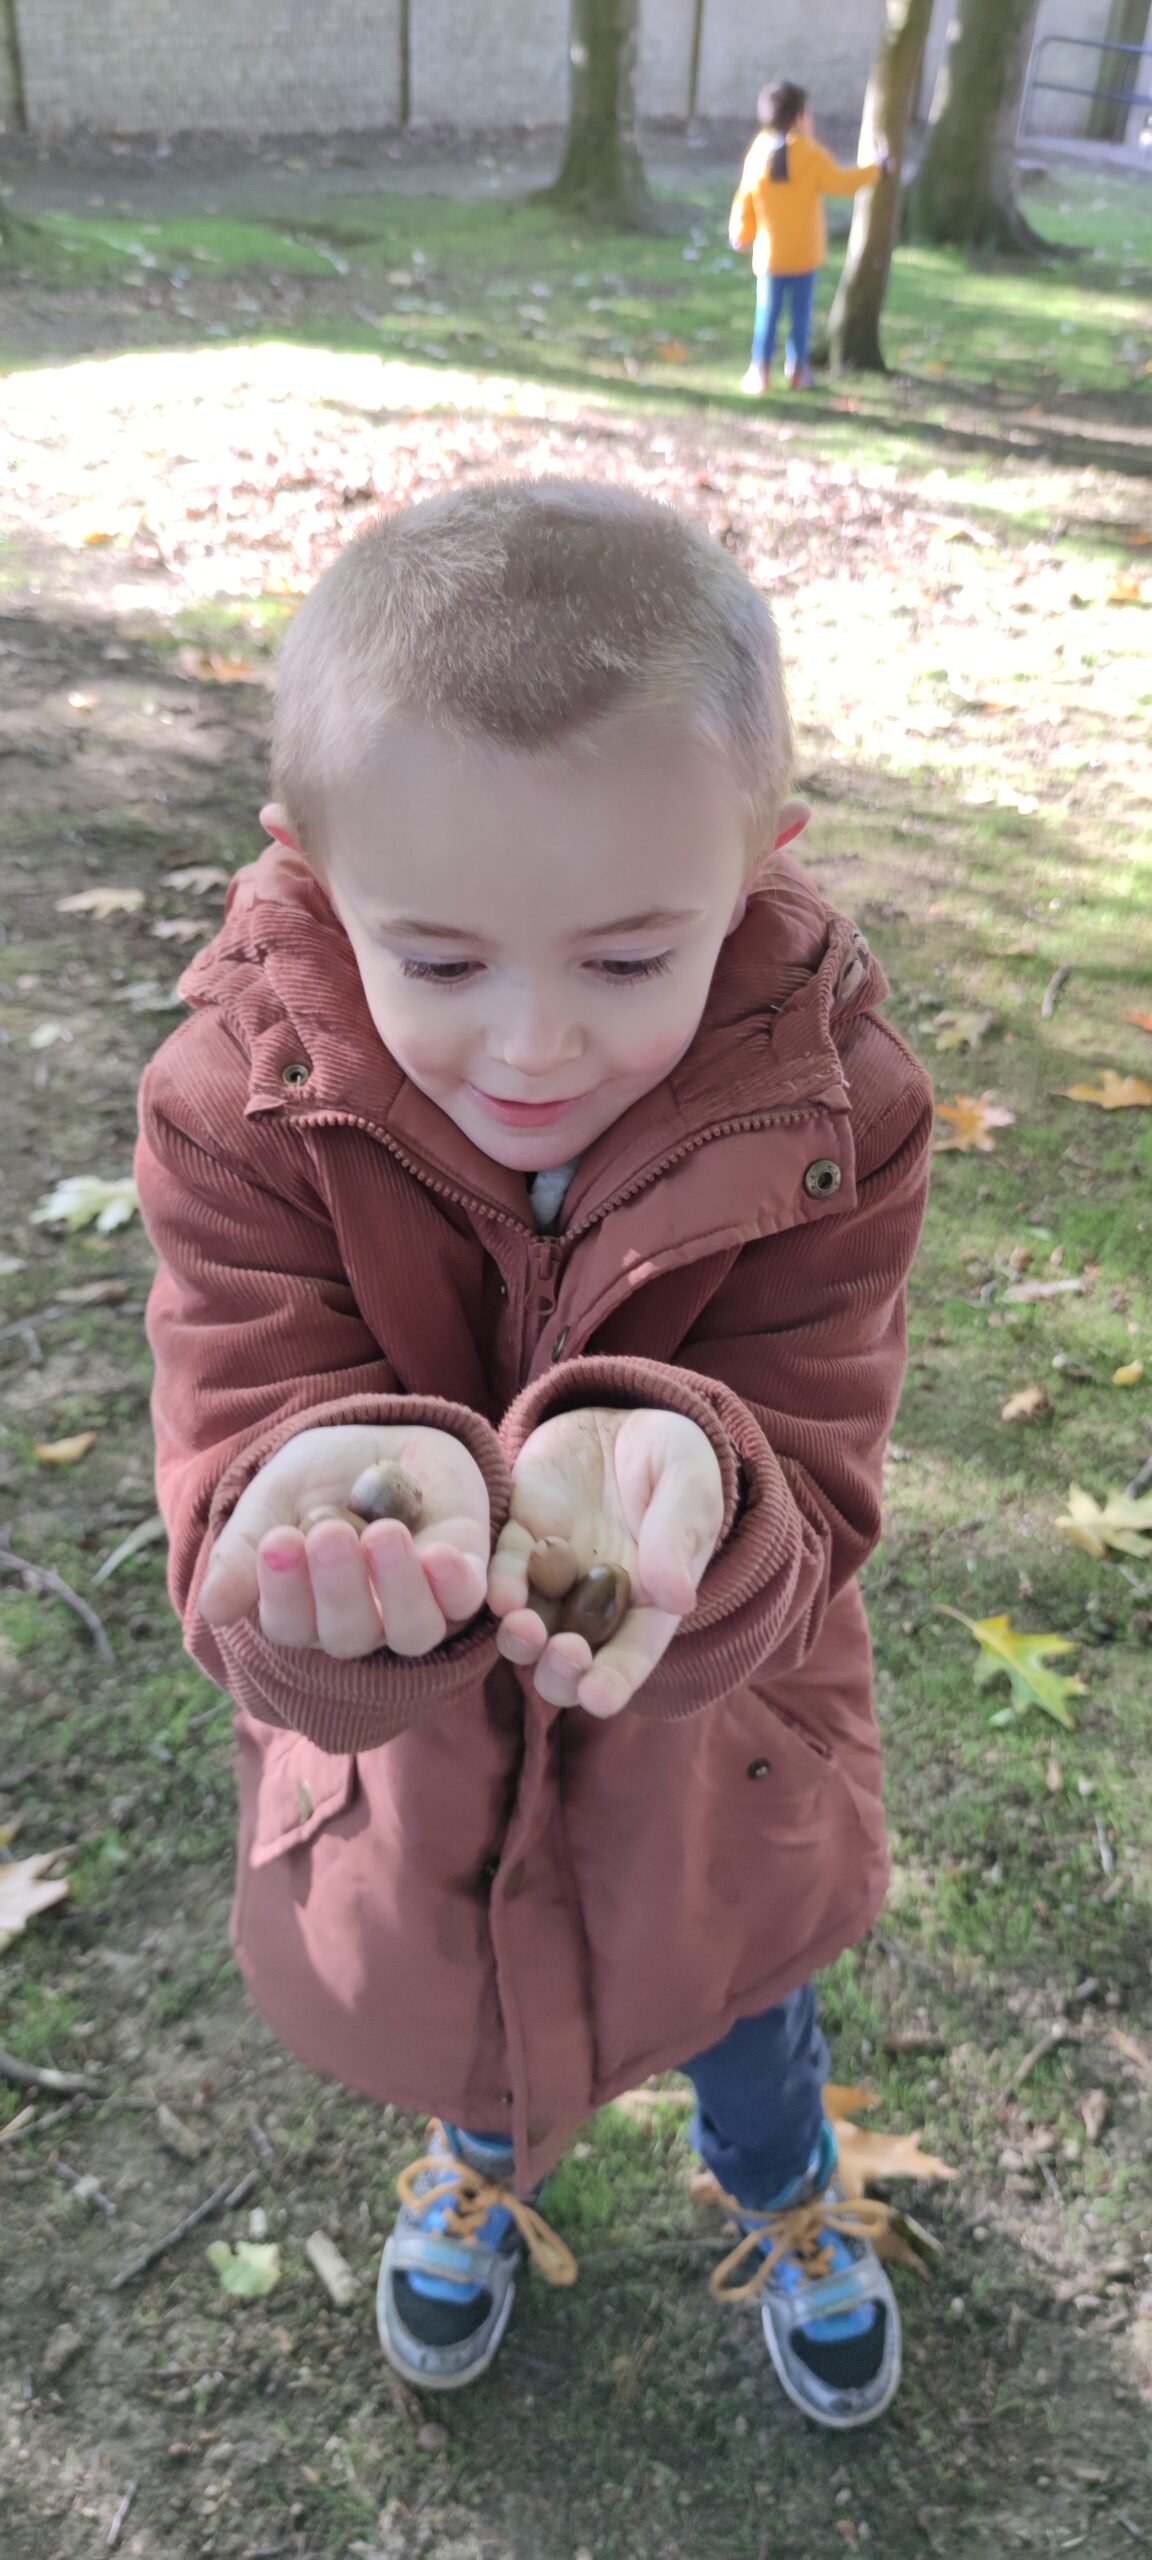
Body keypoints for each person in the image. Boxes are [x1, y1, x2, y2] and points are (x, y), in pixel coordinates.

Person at [137, 480, 932, 2431]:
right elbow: (237, 1448)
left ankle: (783, 2184)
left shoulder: (843, 1108)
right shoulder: (235, 1112)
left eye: (626, 956)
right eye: (443, 959)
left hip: (713, 1758)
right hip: (427, 1797)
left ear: (760, 866)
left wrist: (693, 1472)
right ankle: (483, 2159)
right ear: (314, 879)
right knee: (476, 2012)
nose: (533, 1042)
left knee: (746, 2006)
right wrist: (310, 1522)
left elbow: (817, 1455)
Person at [730, 80, 889, 393]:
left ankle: (759, 371)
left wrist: (741, 231)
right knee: (800, 317)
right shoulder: (811, 154)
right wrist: (877, 170)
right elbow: (842, 183)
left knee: (767, 315)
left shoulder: (758, 152)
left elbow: (745, 197)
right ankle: (798, 371)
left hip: (770, 255)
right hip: (805, 254)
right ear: (799, 116)